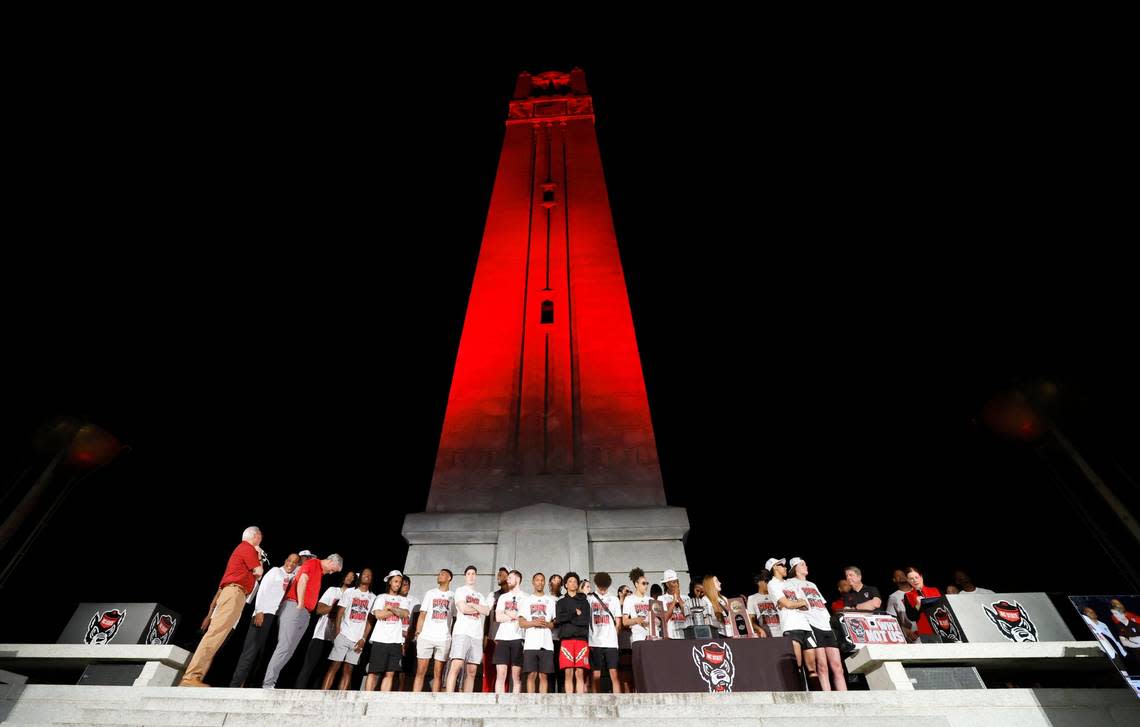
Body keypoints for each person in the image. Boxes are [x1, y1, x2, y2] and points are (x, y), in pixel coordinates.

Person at [180, 527, 265, 687]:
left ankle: (195, 677)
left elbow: (257, 574)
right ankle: (190, 677)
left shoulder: (245, 549)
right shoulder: (247, 548)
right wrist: (258, 554)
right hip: (234, 592)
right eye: (260, 536)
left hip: (237, 593)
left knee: (218, 636)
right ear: (255, 536)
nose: (261, 540)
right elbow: (259, 571)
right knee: (215, 634)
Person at [261, 553, 344, 689]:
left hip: (305, 613)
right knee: (284, 646)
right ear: (330, 561)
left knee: (290, 650)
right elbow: (303, 579)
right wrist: (300, 603)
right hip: (295, 606)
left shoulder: (319, 572)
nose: (330, 573)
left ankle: (272, 681)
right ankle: (268, 683)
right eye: (332, 569)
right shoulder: (313, 563)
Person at [230, 552, 299, 687]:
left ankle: (247, 685)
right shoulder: (275, 571)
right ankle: (235, 684)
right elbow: (262, 590)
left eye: (294, 562)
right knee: (250, 651)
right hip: (263, 613)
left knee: (259, 654)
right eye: (289, 560)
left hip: (273, 617)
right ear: (285, 560)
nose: (291, 564)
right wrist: (259, 611)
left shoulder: (291, 577)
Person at [789, 557, 846, 691]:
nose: (806, 566)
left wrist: (830, 622)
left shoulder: (812, 584)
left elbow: (822, 605)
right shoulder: (790, 583)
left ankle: (845, 697)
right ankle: (827, 698)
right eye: (802, 564)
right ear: (795, 568)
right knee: (822, 666)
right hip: (812, 625)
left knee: (837, 666)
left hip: (826, 625)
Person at [292, 569, 355, 688]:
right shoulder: (333, 591)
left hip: (338, 638)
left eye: (352, 577)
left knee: (324, 671)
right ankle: (297, 692)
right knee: (308, 667)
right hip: (321, 635)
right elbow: (319, 609)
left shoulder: (353, 596)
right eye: (348, 575)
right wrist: (337, 608)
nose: (349, 578)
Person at [321, 567, 375, 690]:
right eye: (364, 574)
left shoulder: (373, 597)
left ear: (371, 579)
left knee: (348, 670)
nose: (367, 575)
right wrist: (337, 632)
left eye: (369, 575)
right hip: (344, 634)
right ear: (360, 577)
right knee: (334, 666)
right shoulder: (350, 592)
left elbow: (370, 620)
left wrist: (363, 639)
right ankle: (322, 696)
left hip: (358, 640)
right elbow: (340, 613)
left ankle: (341, 701)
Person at [445, 566, 492, 693]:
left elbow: (487, 611)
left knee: (472, 670)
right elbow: (463, 609)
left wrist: (473, 605)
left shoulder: (480, 595)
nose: (471, 576)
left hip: (476, 635)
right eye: (469, 573)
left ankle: (467, 697)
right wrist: (478, 608)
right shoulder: (460, 590)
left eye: (473, 574)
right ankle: (449, 696)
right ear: (465, 576)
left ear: (476, 576)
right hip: (462, 632)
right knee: (456, 665)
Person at [767, 557, 815, 679]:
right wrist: (794, 603)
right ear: (775, 568)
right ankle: (799, 695)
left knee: (812, 669)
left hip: (805, 626)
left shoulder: (790, 583)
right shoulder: (772, 584)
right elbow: (789, 604)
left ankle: (818, 696)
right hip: (790, 626)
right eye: (782, 565)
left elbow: (805, 605)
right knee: (796, 666)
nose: (785, 567)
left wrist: (792, 604)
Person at [365, 570, 411, 691]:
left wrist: (390, 608)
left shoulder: (404, 600)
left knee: (389, 673)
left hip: (395, 640)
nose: (398, 584)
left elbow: (405, 613)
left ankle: (381, 700)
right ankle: (366, 698)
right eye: (395, 581)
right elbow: (379, 615)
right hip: (380, 639)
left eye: (400, 582)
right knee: (373, 672)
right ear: (390, 582)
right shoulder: (381, 597)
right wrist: (396, 610)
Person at [413, 568, 455, 692]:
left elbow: (455, 617)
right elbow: (422, 614)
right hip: (426, 636)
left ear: (449, 578)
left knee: (438, 673)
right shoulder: (430, 593)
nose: (439, 575)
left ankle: (435, 700)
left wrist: (452, 637)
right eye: (439, 574)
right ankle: (414, 699)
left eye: (443, 574)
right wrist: (418, 632)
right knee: (420, 670)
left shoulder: (453, 596)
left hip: (444, 638)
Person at [520, 572, 556, 693]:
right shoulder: (527, 600)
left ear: (544, 583)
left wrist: (547, 624)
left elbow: (554, 623)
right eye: (537, 580)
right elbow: (521, 623)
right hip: (531, 644)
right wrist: (534, 623)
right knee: (531, 675)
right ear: (533, 582)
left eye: (542, 580)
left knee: (544, 676)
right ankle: (531, 704)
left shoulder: (550, 601)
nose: (540, 582)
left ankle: (542, 703)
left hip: (546, 644)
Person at [555, 571, 590, 693]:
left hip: (581, 639)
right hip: (566, 640)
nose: (573, 583)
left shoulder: (584, 602)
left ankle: (580, 700)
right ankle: (569, 699)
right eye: (570, 581)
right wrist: (574, 613)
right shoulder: (561, 602)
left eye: (575, 581)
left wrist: (569, 619)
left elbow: (585, 620)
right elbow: (559, 619)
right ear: (565, 585)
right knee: (568, 672)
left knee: (580, 672)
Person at [587, 571, 621, 693]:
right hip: (595, 641)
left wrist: (613, 636)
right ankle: (596, 700)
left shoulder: (614, 599)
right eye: (600, 587)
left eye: (605, 587)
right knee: (596, 673)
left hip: (611, 642)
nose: (602, 590)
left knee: (614, 672)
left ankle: (618, 699)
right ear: (596, 584)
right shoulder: (590, 598)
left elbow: (618, 621)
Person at [492, 569, 526, 693]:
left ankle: (515, 704)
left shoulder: (525, 597)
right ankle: (499, 702)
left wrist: (507, 612)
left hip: (518, 637)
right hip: (503, 638)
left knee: (516, 675)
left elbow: (524, 618)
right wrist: (512, 614)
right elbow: (498, 617)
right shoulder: (503, 597)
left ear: (517, 579)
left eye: (510, 577)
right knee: (501, 673)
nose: (507, 579)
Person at [903, 566, 944, 642]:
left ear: (921, 577)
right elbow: (911, 617)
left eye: (916, 577)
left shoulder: (935, 590)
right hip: (926, 632)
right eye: (911, 579)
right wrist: (918, 605)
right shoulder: (908, 596)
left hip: (943, 628)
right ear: (908, 580)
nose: (915, 580)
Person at [399, 576, 420, 690]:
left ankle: (401, 690)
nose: (406, 587)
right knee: (391, 668)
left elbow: (416, 620)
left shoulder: (415, 600)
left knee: (405, 668)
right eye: (403, 584)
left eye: (407, 584)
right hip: (393, 637)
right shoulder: (394, 599)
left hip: (409, 638)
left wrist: (409, 636)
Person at [886, 569, 918, 642]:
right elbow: (892, 619)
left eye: (902, 574)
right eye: (898, 576)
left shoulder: (918, 591)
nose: (901, 576)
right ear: (894, 580)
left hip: (926, 631)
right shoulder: (893, 597)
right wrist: (905, 630)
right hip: (912, 636)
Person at [749, 566, 782, 638]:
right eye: (766, 581)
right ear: (759, 582)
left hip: (782, 634)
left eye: (770, 581)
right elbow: (751, 620)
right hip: (766, 636)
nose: (769, 584)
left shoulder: (777, 595)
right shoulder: (752, 598)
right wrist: (759, 629)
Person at [659, 569, 690, 640]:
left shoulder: (686, 597)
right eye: (673, 582)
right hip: (671, 635)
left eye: (677, 582)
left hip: (686, 635)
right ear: (667, 584)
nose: (676, 584)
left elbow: (688, 614)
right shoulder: (661, 598)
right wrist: (673, 601)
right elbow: (664, 619)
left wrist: (678, 598)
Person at [616, 584, 634, 693]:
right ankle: (625, 692)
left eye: (630, 591)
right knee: (624, 670)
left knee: (633, 669)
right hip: (622, 642)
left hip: (632, 641)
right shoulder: (616, 605)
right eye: (626, 591)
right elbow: (620, 624)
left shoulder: (631, 603)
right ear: (620, 593)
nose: (629, 593)